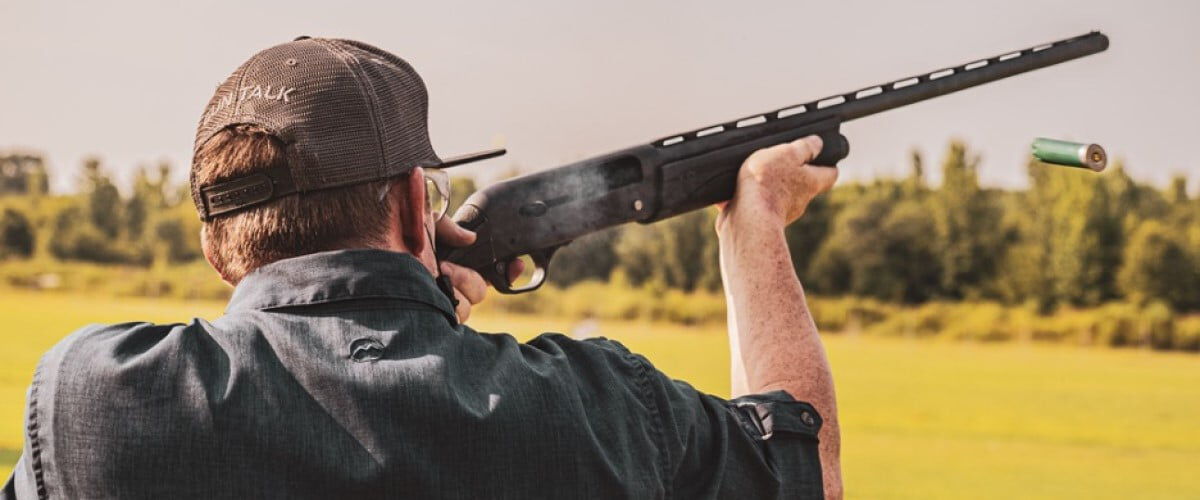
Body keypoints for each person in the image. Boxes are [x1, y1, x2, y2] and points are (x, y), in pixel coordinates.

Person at [3, 37, 840, 499]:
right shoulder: (597, 407)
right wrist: (754, 219)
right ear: (414, 203)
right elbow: (809, 474)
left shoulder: (95, 400)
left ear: (216, 245)